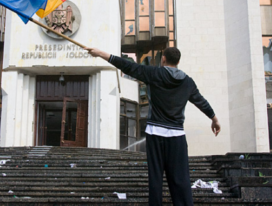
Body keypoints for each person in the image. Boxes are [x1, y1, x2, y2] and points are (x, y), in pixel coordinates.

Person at [85, 47, 221, 206]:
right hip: (176, 136)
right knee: (180, 180)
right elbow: (200, 101)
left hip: (155, 134)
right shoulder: (188, 82)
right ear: (178, 61)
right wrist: (214, 118)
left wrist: (100, 53)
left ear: (163, 59)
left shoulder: (155, 73)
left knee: (155, 179)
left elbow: (128, 66)